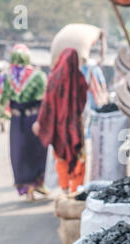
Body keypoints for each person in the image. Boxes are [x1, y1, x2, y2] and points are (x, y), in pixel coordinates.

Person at [0, 44, 48, 201]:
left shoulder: (6, 77)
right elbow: (46, 99)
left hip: (17, 120)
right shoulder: (38, 75)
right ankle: (38, 184)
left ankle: (28, 189)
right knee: (37, 151)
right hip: (34, 119)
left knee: (20, 153)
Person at [32, 48, 88, 195]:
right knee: (79, 158)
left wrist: (41, 122)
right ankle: (76, 192)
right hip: (74, 126)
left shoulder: (53, 79)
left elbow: (46, 104)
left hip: (58, 127)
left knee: (61, 157)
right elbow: (82, 102)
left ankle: (64, 190)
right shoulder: (79, 78)